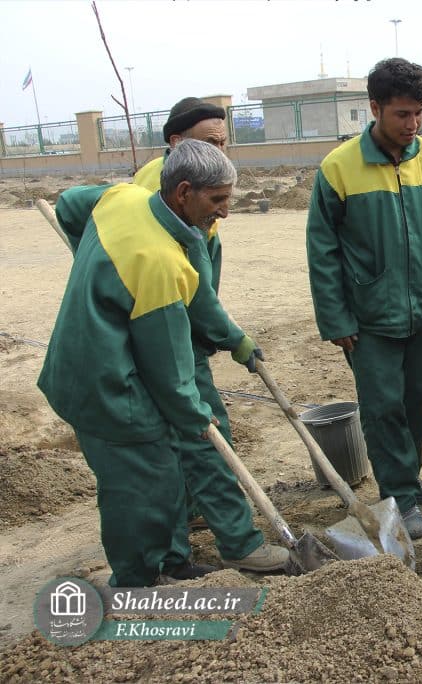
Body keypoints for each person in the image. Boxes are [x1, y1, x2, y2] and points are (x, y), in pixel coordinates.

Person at [37, 141, 277, 587]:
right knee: (142, 484)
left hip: (86, 364)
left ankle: (172, 562)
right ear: (184, 192)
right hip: (105, 385)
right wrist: (196, 415)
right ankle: (136, 582)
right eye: (218, 199)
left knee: (164, 471)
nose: (225, 212)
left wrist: (234, 339)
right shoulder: (158, 262)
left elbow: (68, 205)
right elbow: (171, 373)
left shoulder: (122, 198)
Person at [306, 58, 422, 540]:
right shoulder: (339, 168)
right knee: (383, 410)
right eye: (402, 114)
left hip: (416, 311)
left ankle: (408, 479)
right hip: (367, 319)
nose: (413, 123)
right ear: (375, 108)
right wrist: (336, 318)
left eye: (419, 112)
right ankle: (397, 495)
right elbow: (322, 250)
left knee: (416, 401)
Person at [131, 98, 289, 575]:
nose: (220, 153)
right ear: (177, 144)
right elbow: (195, 293)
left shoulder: (182, 185)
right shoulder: (168, 201)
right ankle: (239, 542)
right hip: (166, 332)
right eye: (209, 143)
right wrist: (234, 338)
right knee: (206, 432)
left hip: (176, 327)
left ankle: (184, 524)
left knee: (176, 442)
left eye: (224, 143)